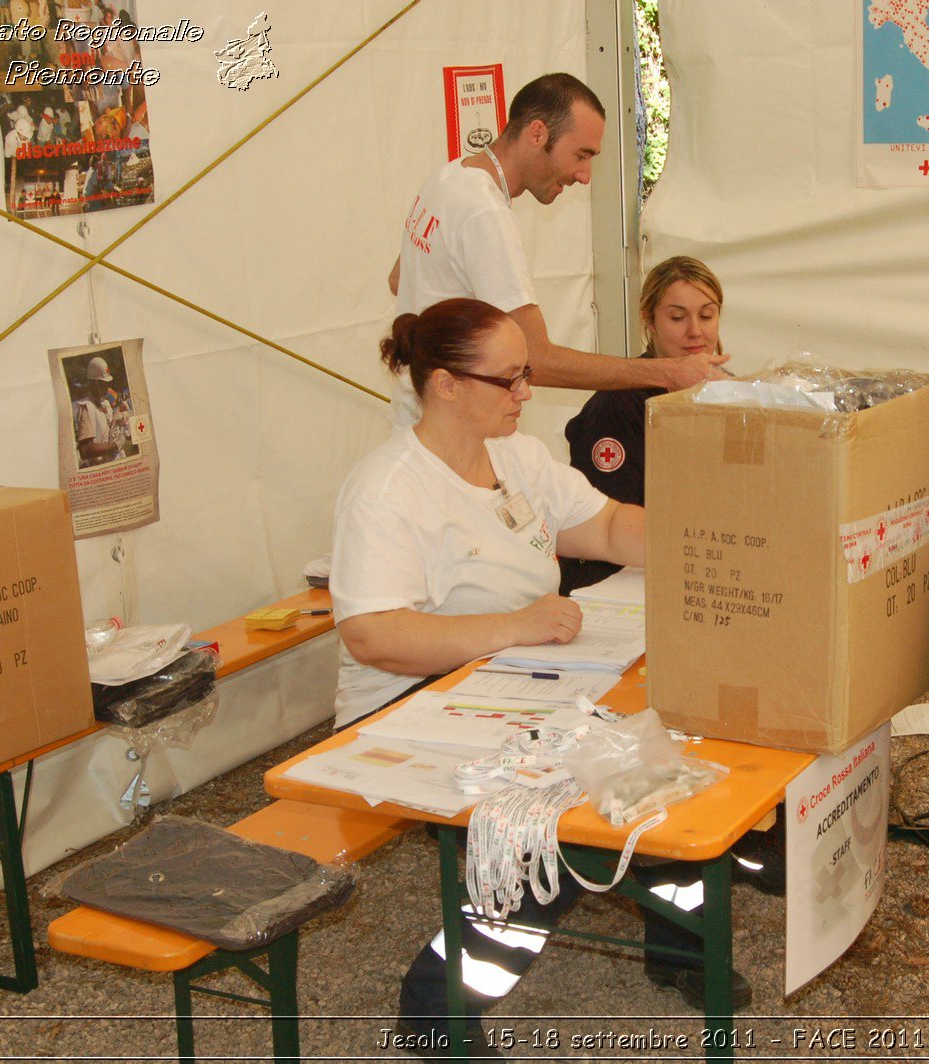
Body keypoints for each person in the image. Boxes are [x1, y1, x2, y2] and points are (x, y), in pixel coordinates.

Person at [329, 299, 753, 1057]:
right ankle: (436, 1009)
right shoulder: (387, 489)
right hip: (413, 702)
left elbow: (609, 527)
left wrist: (716, 540)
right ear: (446, 386)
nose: (527, 391)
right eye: (510, 379)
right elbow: (372, 635)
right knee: (542, 839)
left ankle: (679, 939)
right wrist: (512, 626)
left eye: (527, 373)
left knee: (654, 757)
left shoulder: (516, 455)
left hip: (519, 677)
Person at [387, 73, 726, 427]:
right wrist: (668, 372)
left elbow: (399, 280)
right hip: (448, 431)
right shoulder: (485, 214)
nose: (585, 175)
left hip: (421, 418)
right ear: (537, 134)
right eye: (581, 155)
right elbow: (535, 358)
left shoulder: (449, 176)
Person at [558, 254, 724, 594]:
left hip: (699, 568)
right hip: (618, 585)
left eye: (706, 315)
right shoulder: (616, 405)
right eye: (677, 317)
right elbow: (603, 529)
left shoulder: (732, 396)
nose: (696, 331)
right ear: (649, 320)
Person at [73, 356, 126, 466]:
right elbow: (85, 450)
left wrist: (123, 421)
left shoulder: (105, 403)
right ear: (94, 383)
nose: (107, 386)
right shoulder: (86, 407)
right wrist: (115, 445)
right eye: (104, 383)